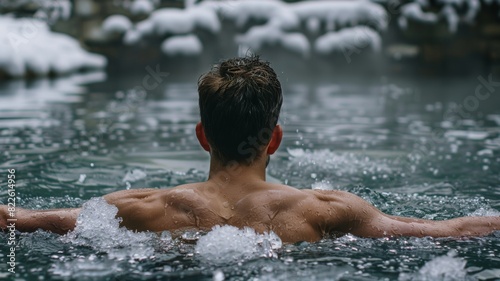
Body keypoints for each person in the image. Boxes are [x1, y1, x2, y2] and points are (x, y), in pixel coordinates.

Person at [1, 56, 500, 243]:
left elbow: (36, 218)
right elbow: (449, 231)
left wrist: (15, 214)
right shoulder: (322, 210)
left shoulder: (142, 208)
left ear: (202, 135)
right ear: (274, 139)